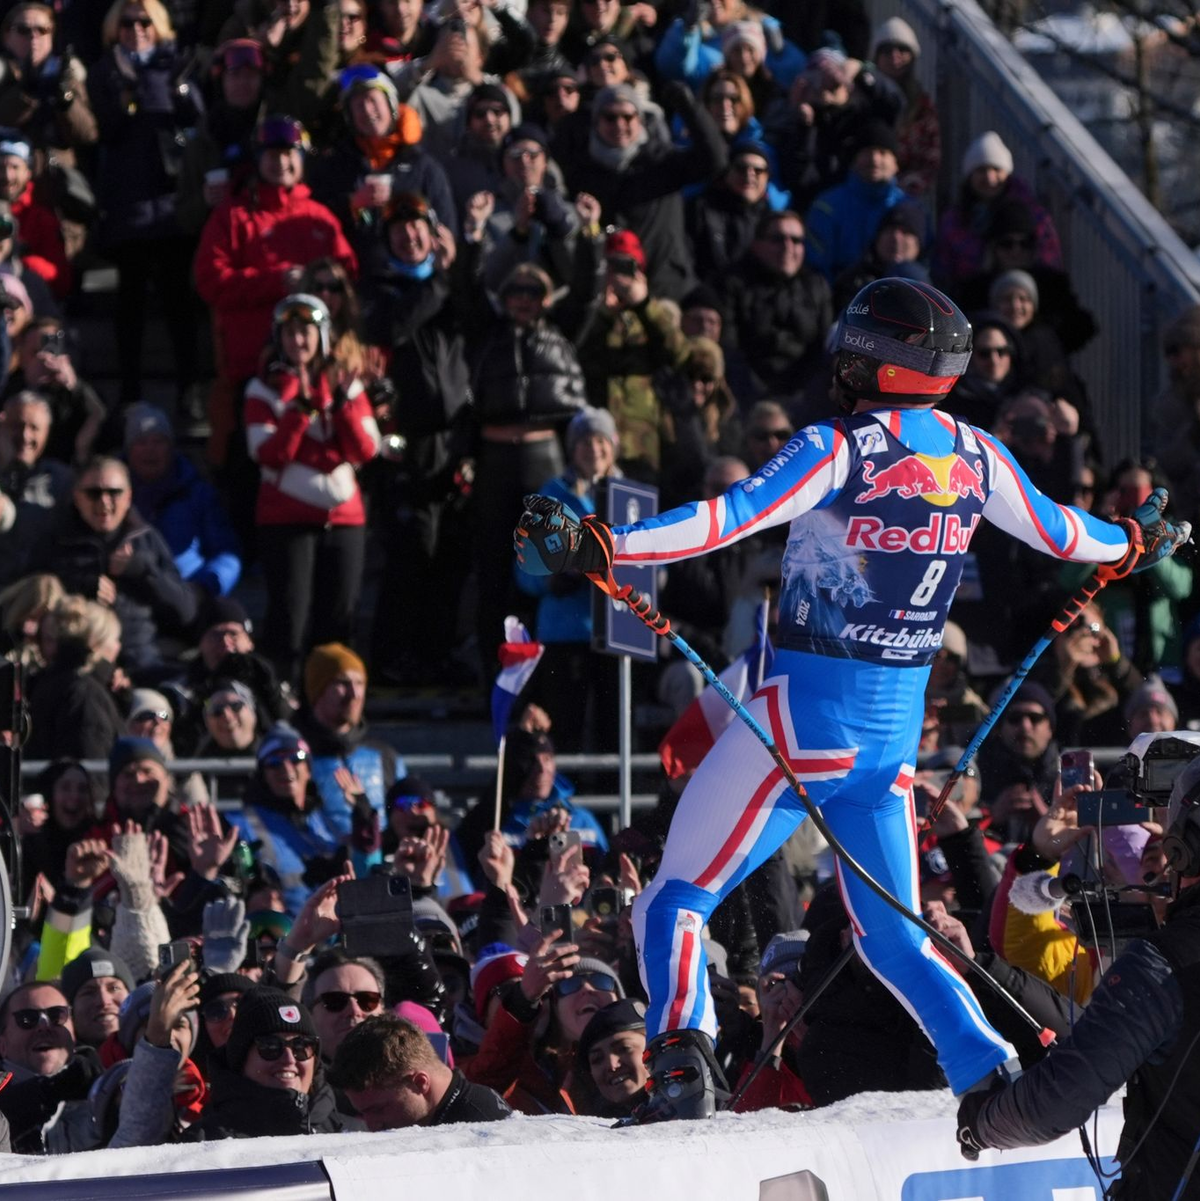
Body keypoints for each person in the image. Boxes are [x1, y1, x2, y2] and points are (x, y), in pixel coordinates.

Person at [514, 276, 1190, 1121]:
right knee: (894, 934)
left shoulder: (843, 447)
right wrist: (1135, 540)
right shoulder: (976, 455)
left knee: (674, 899)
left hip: (800, 720)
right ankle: (990, 1076)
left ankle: (681, 1072)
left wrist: (606, 543)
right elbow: (1065, 533)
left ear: (871, 359)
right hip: (889, 743)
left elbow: (728, 517)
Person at [958, 751, 1200, 1199]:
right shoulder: (1140, 955)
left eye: (1164, 847)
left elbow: (1052, 1103)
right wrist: (1038, 855)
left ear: (1183, 851)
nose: (1158, 867)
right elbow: (1019, 942)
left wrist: (980, 1122)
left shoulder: (1159, 966)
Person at [245, 293, 380, 685]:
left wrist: (340, 406)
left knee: (340, 621)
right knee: (290, 619)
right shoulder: (262, 389)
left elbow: (364, 449)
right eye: (288, 332)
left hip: (344, 522)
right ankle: (284, 702)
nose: (298, 341)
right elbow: (268, 454)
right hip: (286, 522)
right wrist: (300, 412)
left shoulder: (345, 385)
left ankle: (338, 701)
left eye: (306, 331)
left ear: (322, 336)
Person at [90, 0, 203, 404]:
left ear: (158, 25)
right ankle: (130, 390)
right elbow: (105, 129)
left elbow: (196, 121)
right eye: (126, 22)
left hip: (171, 199)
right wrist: (126, 92)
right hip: (128, 200)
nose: (136, 29)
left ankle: (189, 387)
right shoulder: (105, 70)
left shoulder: (179, 65)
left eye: (144, 22)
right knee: (130, 300)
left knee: (177, 297)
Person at [35, 456, 197, 676]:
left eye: (114, 492)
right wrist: (80, 587)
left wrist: (143, 571)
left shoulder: (146, 540)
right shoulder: (57, 539)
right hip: (75, 668)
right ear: (76, 496)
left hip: (140, 665)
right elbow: (30, 595)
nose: (104, 501)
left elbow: (186, 610)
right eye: (93, 493)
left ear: (129, 496)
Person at [187, 986, 355, 1139]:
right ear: (241, 1060)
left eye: (302, 1046)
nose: (289, 1059)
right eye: (271, 1046)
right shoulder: (205, 1142)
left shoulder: (351, 1133)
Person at [124, 403, 242, 600]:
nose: (150, 450)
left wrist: (206, 585)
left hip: (187, 591)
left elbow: (226, 551)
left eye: (159, 441)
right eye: (141, 442)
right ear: (128, 450)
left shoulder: (197, 493)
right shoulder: (111, 493)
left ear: (171, 448)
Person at [330, 1012, 510, 1128]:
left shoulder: (480, 1128)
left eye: (378, 1109)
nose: (371, 1125)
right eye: (363, 1113)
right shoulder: (452, 1115)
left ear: (420, 1082)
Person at [24, 594, 124, 761]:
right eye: (114, 639)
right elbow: (91, 762)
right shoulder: (85, 692)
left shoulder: (53, 680)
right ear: (97, 642)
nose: (118, 647)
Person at [0, 390, 71, 585]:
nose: (25, 435)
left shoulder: (60, 479)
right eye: (17, 426)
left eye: (34, 428)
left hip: (40, 594)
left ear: (47, 432)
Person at [60, 947, 134, 1050]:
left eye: (114, 988)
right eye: (89, 992)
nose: (104, 1001)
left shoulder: (160, 1054)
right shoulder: (58, 1063)